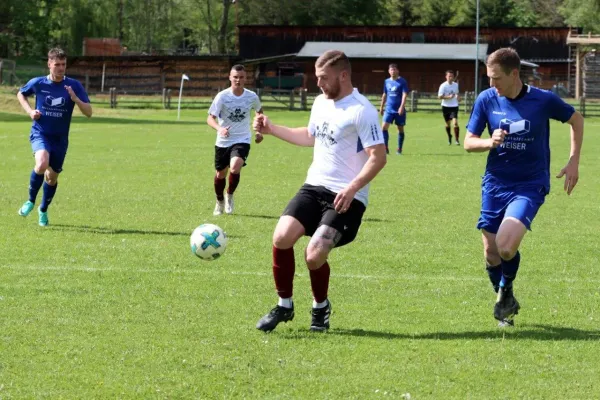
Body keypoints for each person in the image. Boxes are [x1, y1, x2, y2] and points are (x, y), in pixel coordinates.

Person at [252, 50, 387, 332]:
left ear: (343, 75)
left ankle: (320, 307)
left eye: (324, 78)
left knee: (314, 255)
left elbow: (379, 156)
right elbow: (311, 137)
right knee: (281, 237)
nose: (319, 83)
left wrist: (353, 189)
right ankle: (284, 305)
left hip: (347, 196)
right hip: (314, 187)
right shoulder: (320, 103)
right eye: (317, 77)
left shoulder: (362, 110)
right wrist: (272, 128)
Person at [464, 48, 584, 327]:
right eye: (489, 79)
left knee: (506, 246)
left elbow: (576, 120)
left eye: (496, 79)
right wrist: (488, 142)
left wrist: (573, 161)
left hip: (530, 184)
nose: (492, 85)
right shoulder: (486, 99)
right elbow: (469, 141)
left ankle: (504, 293)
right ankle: (505, 299)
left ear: (514, 74)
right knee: (491, 252)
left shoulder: (542, 100)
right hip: (495, 183)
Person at [17, 47, 92, 226]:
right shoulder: (39, 83)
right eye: (57, 64)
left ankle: (42, 209)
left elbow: (89, 112)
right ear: (49, 64)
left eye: (63, 64)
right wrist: (30, 111)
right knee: (41, 163)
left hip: (60, 139)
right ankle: (30, 201)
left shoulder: (74, 85)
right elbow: (21, 93)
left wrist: (76, 99)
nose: (60, 68)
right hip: (40, 132)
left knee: (52, 177)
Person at [207, 64, 263, 215]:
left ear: (246, 78)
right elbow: (210, 118)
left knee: (235, 166)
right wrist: (220, 129)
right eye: (235, 77)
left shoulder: (252, 96)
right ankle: (219, 201)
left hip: (242, 139)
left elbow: (259, 114)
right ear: (230, 78)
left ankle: (230, 195)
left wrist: (258, 132)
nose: (238, 80)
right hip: (223, 141)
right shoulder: (222, 96)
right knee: (220, 174)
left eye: (241, 77)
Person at [379, 63, 409, 155]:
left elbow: (405, 94)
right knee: (384, 127)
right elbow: (385, 94)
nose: (393, 71)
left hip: (399, 110)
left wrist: (401, 107)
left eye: (394, 69)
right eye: (391, 70)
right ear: (389, 71)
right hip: (389, 109)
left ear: (397, 71)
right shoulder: (386, 81)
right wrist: (381, 107)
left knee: (400, 129)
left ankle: (399, 149)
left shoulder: (402, 81)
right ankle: (385, 148)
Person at [438, 70, 461, 146]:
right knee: (448, 124)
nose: (450, 78)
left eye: (452, 76)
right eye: (449, 76)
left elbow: (457, 94)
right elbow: (439, 96)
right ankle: (449, 136)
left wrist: (458, 98)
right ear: (446, 77)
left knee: (455, 123)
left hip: (454, 106)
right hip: (446, 107)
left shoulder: (456, 85)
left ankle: (457, 140)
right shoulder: (443, 86)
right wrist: (448, 97)